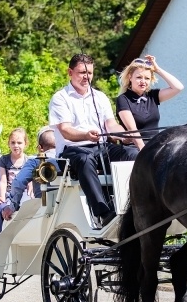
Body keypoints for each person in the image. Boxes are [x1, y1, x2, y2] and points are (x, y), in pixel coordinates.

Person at [49, 53, 137, 227]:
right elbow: (66, 131)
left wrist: (124, 135)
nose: (86, 77)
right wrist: (85, 135)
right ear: (70, 72)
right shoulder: (60, 98)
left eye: (89, 73)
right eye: (82, 72)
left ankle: (133, 205)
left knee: (133, 154)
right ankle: (103, 213)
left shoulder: (100, 97)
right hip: (72, 150)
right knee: (85, 158)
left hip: (101, 146)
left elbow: (111, 125)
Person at [116, 54, 184, 150]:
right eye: (139, 77)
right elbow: (132, 130)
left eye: (147, 78)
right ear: (130, 77)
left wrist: (157, 70)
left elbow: (178, 87)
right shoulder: (123, 99)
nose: (143, 81)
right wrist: (144, 152)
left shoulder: (153, 96)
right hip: (134, 148)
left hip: (155, 146)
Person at [1, 126, 59, 221]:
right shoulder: (69, 160)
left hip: (44, 210)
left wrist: (12, 206)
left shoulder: (35, 161)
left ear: (40, 147)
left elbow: (18, 182)